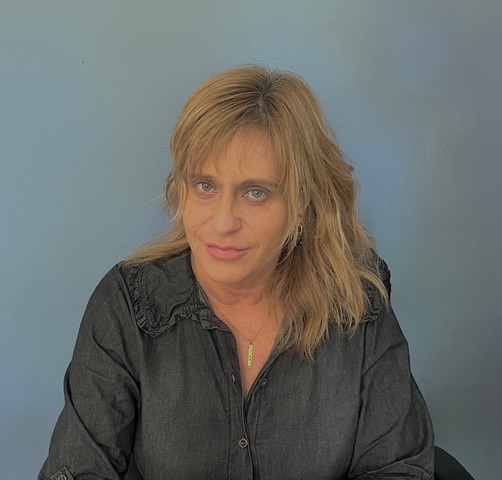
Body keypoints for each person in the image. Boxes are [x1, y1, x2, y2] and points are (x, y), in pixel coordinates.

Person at [39, 65, 434, 480]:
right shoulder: (128, 304)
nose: (224, 221)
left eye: (255, 193)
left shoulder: (356, 305)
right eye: (205, 186)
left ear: (301, 205)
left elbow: (398, 469)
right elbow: (78, 469)